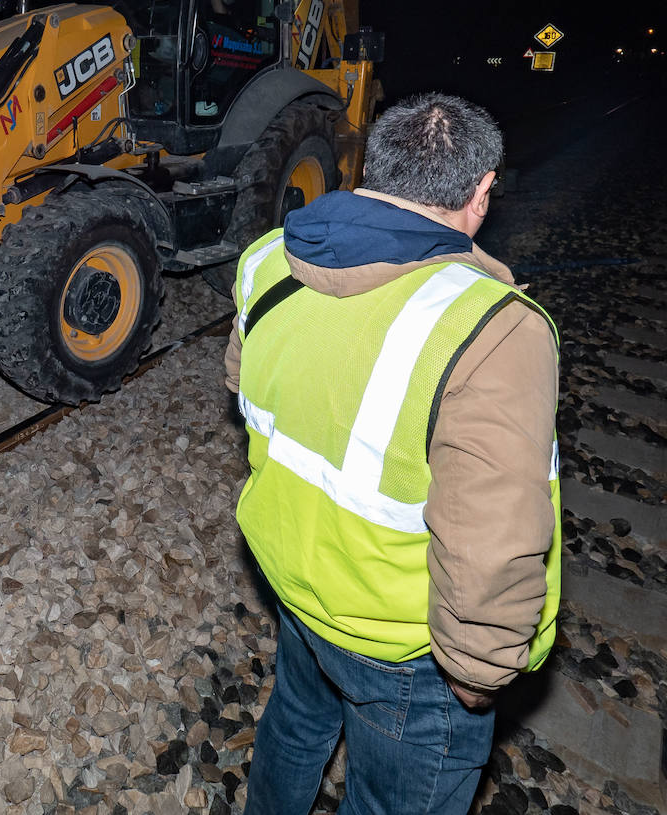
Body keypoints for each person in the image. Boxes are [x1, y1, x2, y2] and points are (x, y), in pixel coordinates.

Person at [226, 93, 561, 815]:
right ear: (481, 193)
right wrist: (475, 672)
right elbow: (491, 543)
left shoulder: (267, 260)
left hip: (296, 579)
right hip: (401, 642)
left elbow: (245, 386)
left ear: (374, 171)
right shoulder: (493, 329)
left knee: (293, 726)